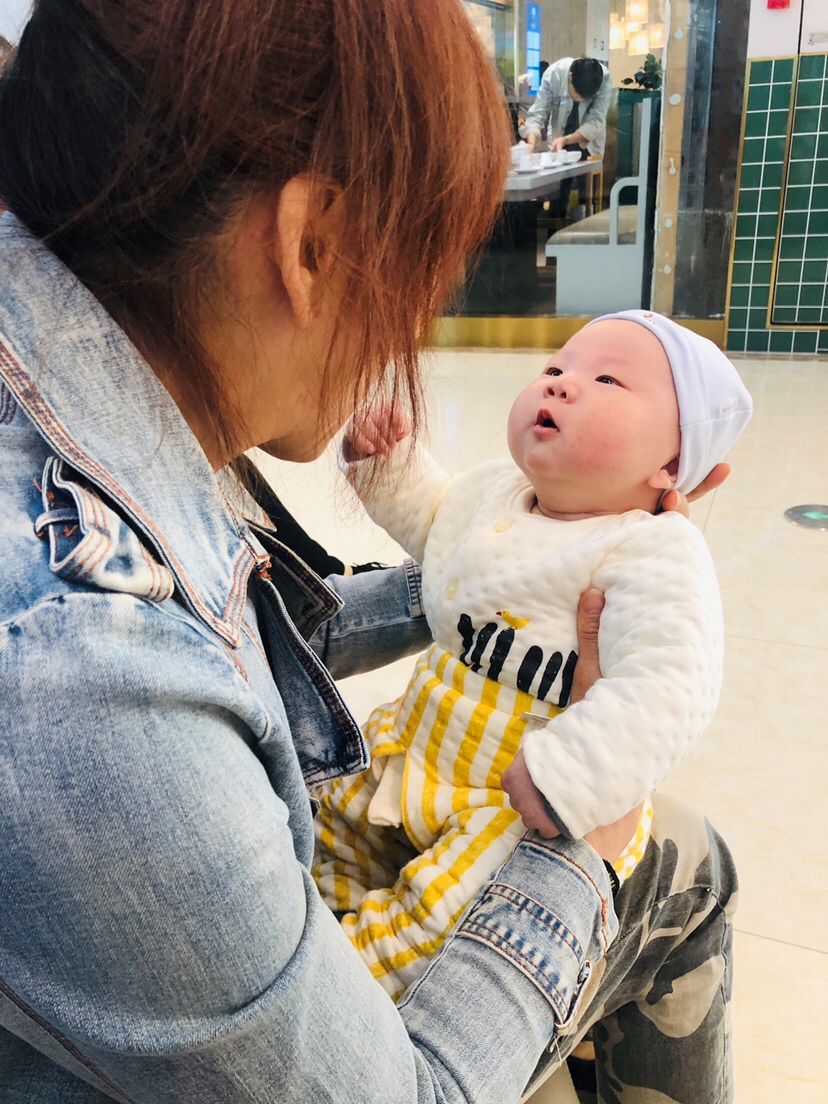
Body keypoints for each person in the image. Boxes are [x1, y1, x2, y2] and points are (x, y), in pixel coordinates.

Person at [0, 2, 735, 1102]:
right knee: (686, 859)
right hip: (441, 858)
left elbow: (268, 603)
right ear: (310, 242)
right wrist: (582, 845)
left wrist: (497, 579)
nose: (410, 325)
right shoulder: (84, 681)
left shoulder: (71, 379)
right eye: (419, 270)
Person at [314, 310, 751, 999]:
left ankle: (350, 987)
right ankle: (320, 918)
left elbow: (672, 682)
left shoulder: (652, 549)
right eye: (555, 368)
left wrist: (570, 774)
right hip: (417, 750)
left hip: (513, 802)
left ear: (671, 464)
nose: (562, 384)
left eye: (607, 381)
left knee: (446, 916)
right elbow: (438, 525)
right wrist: (389, 463)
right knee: (330, 818)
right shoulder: (497, 492)